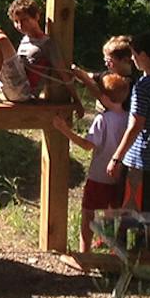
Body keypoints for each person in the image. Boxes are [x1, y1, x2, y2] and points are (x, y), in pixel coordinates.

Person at [54, 72, 131, 252]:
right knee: (112, 215)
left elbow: (87, 145)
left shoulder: (102, 119)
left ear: (103, 97)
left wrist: (64, 129)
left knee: (88, 214)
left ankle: (85, 251)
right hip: (120, 177)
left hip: (98, 177)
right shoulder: (129, 118)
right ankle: (114, 252)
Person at [0, 0, 76, 104]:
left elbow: (64, 73)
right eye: (16, 22)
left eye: (24, 20)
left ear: (36, 16)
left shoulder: (48, 43)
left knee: (0, 39)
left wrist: (76, 101)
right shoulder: (25, 39)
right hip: (12, 86)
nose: (20, 25)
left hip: (25, 92)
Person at [106, 32, 150, 212]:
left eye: (134, 55)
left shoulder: (143, 86)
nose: (133, 60)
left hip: (141, 163)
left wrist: (116, 158)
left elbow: (136, 125)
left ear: (143, 55)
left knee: (134, 215)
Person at [69, 35, 135, 112]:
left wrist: (84, 78)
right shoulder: (107, 75)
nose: (106, 64)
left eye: (109, 62)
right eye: (105, 61)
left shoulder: (129, 84)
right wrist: (77, 72)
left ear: (125, 60)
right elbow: (89, 76)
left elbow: (107, 102)